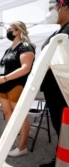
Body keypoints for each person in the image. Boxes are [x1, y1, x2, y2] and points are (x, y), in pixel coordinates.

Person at [0, 21, 35, 157]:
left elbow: (25, 68)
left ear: (19, 31)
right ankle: (12, 138)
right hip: (3, 86)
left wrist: (5, 78)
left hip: (16, 85)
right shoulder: (9, 49)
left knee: (19, 116)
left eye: (11, 29)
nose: (8, 31)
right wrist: (0, 75)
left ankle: (22, 146)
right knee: (8, 114)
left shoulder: (26, 47)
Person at [39, 1, 69, 166]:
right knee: (61, 127)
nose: (50, 12)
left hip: (63, 89)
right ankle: (61, 157)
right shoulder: (60, 31)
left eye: (53, 7)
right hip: (55, 88)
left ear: (64, 5)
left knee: (65, 127)